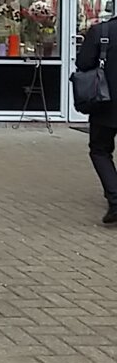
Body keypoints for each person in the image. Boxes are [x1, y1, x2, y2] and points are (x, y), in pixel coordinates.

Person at [74, 17, 117, 226]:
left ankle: (115, 199)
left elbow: (83, 63)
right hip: (106, 105)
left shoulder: (101, 31)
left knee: (100, 150)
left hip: (106, 103)